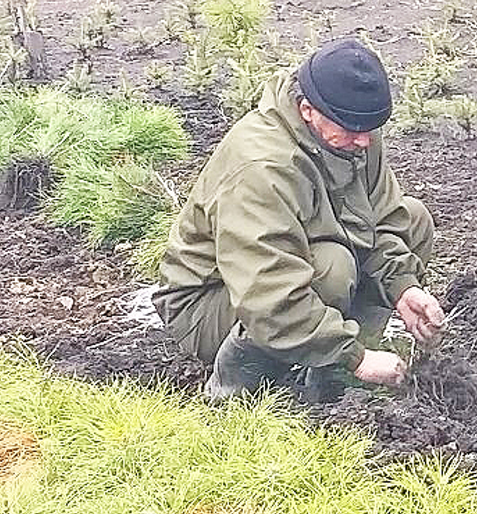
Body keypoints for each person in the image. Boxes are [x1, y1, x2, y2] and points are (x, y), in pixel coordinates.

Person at [153, 37, 446, 400]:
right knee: (332, 268)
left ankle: (336, 374)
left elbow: (382, 218)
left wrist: (403, 286)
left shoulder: (352, 128)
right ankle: (238, 392)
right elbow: (268, 291)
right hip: (210, 303)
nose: (364, 142)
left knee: (415, 219)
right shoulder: (261, 167)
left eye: (370, 128)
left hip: (283, 272)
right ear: (307, 110)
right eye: (352, 130)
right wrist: (353, 357)